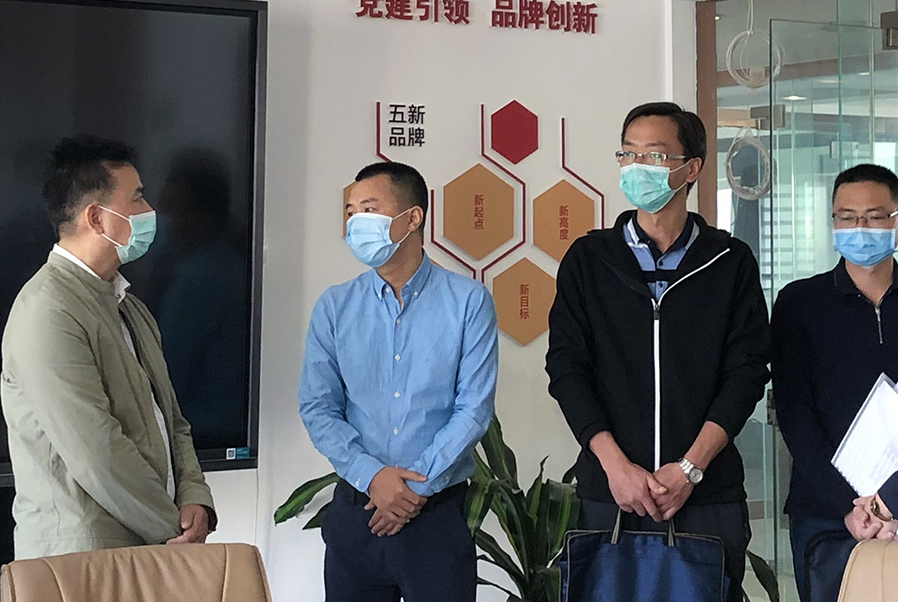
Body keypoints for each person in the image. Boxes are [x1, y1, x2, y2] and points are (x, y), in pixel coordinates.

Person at [545, 102, 770, 602]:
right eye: (628, 154)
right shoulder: (589, 259)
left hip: (705, 494)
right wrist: (615, 466)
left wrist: (689, 469)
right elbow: (566, 368)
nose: (636, 166)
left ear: (691, 168)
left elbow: (747, 372)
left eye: (654, 155)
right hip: (611, 492)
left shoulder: (728, 261)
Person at [0, 135, 216, 559]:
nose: (150, 210)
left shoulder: (128, 307)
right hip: (82, 558)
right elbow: (96, 451)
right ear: (97, 218)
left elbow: (172, 420)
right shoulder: (48, 311)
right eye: (137, 198)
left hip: (149, 544)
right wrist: (172, 527)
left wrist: (196, 498)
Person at [298, 161, 498, 602]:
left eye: (369, 209)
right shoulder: (335, 307)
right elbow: (318, 406)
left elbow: (473, 409)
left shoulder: (468, 302)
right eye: (351, 212)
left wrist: (413, 491)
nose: (356, 222)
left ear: (413, 218)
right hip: (358, 513)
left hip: (436, 519)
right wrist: (372, 477)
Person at [772, 163, 898, 600]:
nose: (860, 228)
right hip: (826, 512)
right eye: (847, 217)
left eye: (875, 217)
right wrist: (850, 505)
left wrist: (891, 500)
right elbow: (796, 415)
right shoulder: (799, 304)